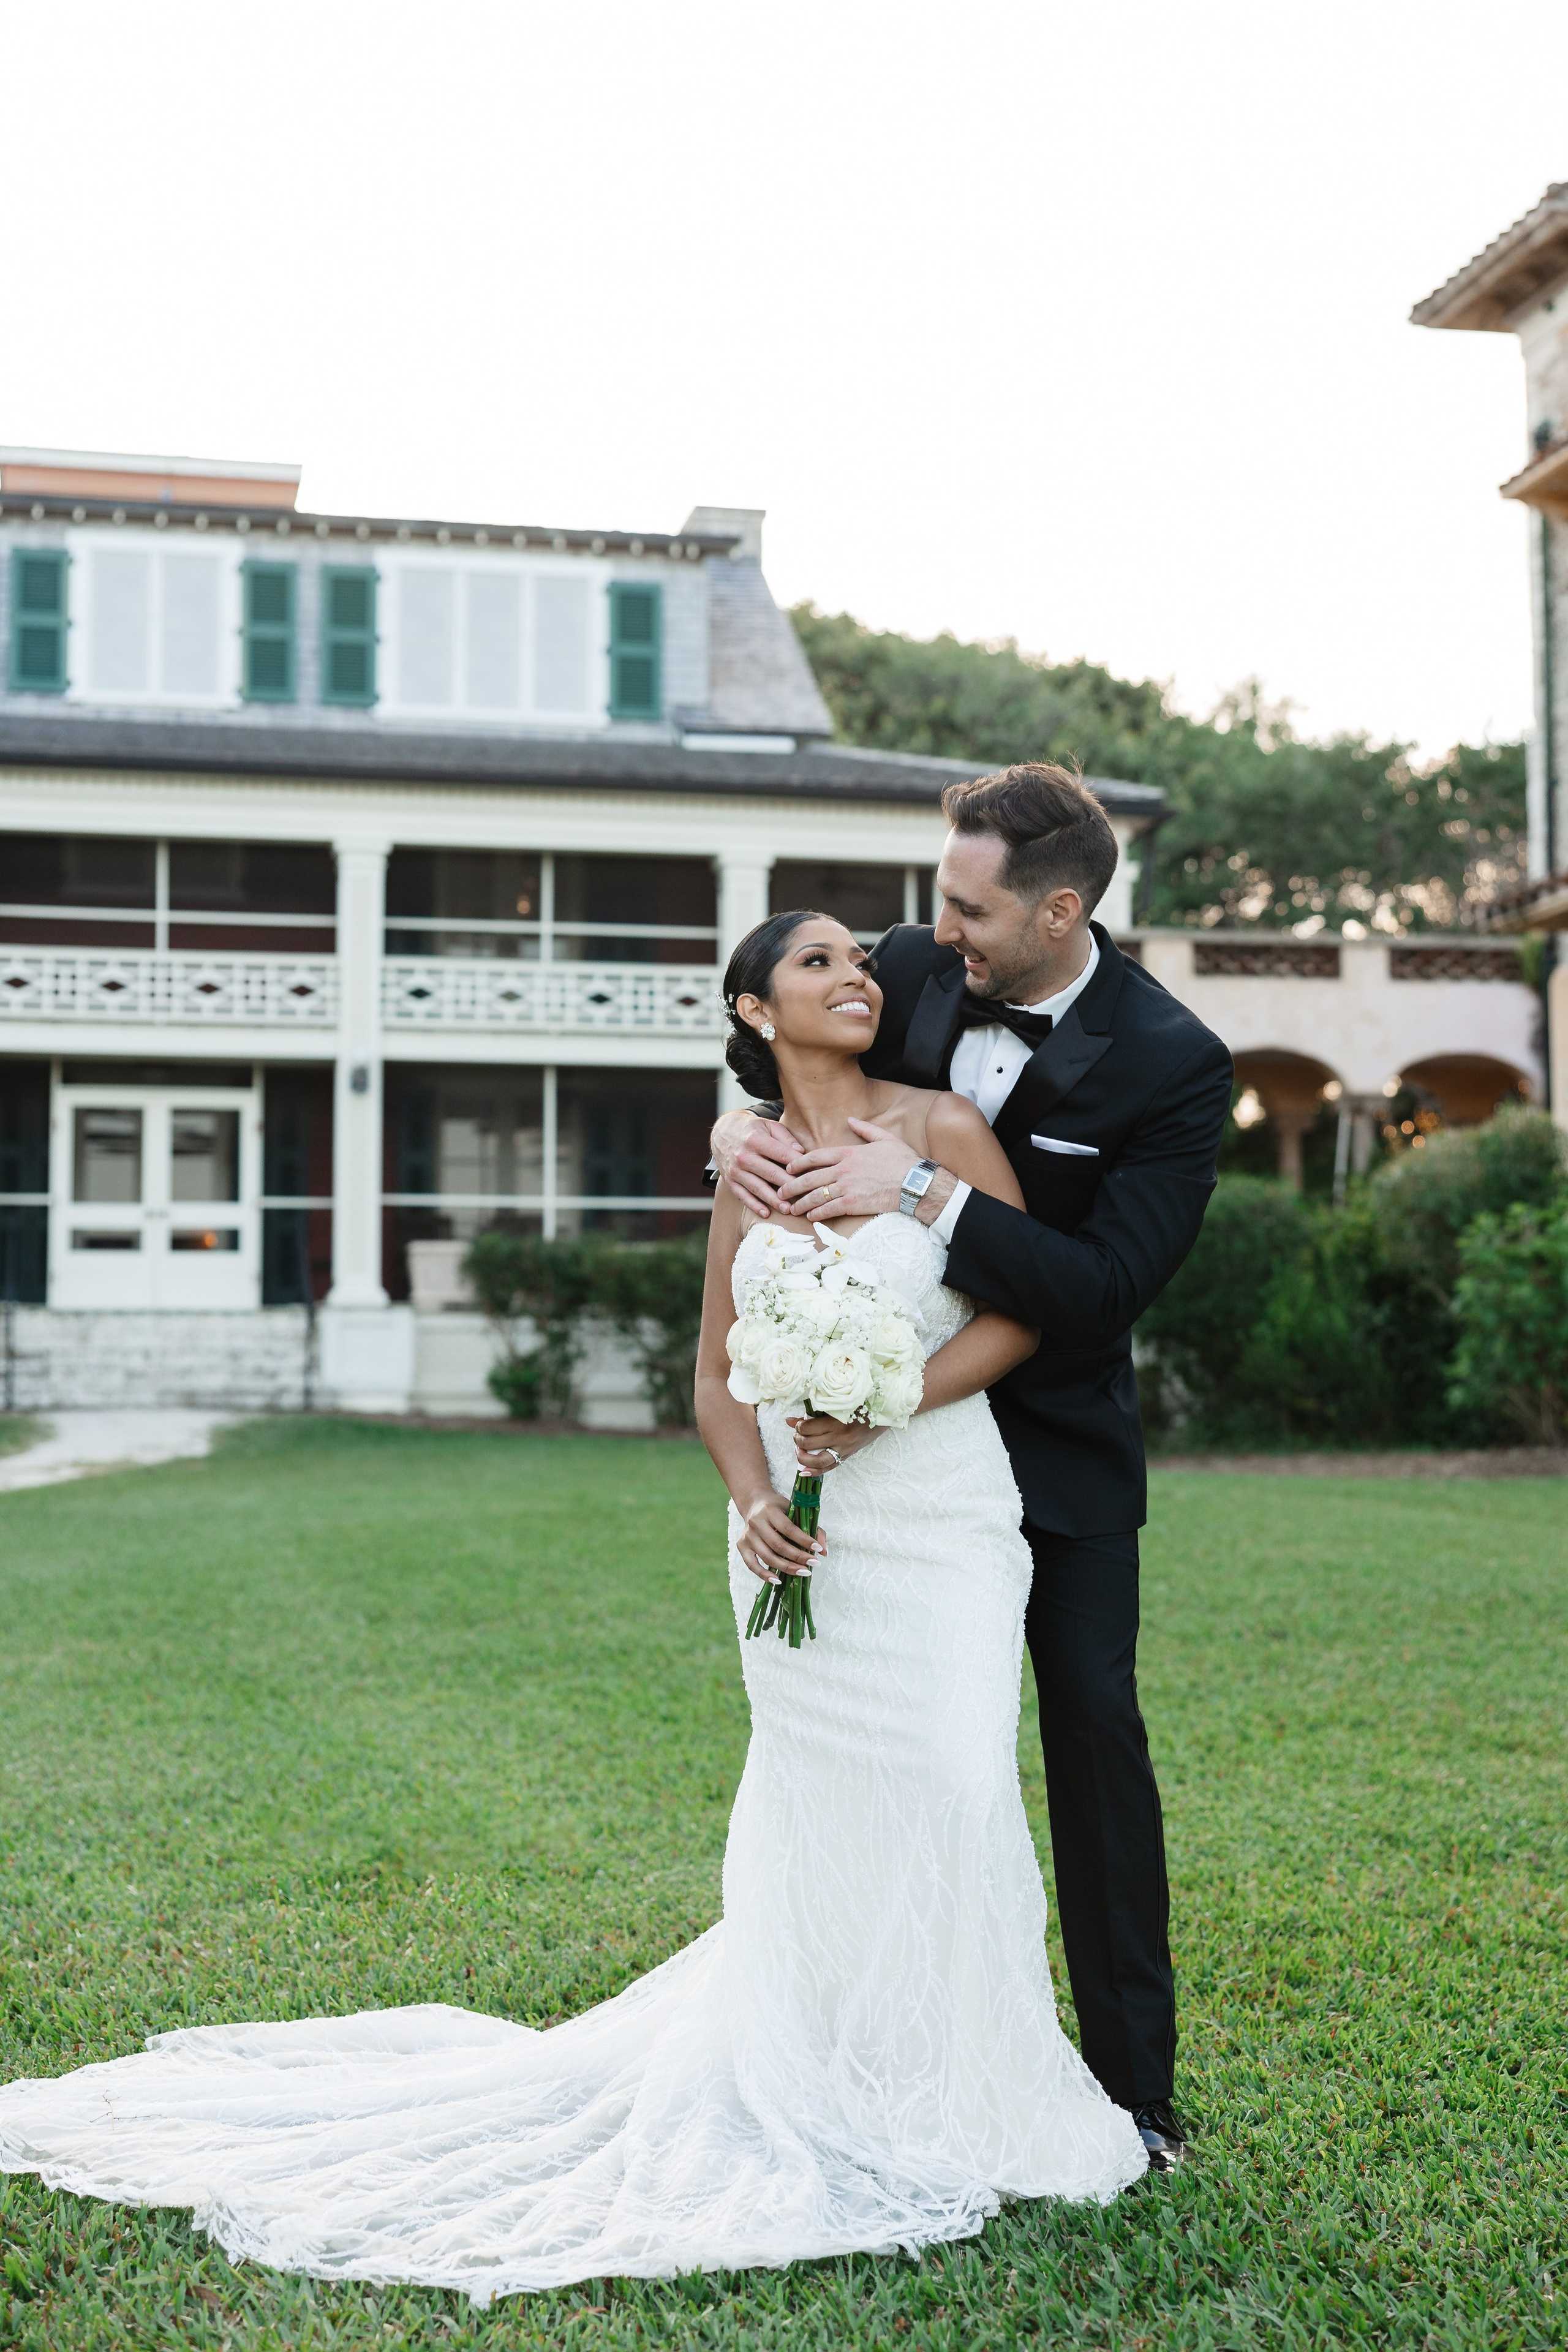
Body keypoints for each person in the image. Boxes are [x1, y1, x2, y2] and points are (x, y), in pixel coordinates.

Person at [0, 903, 1147, 2297]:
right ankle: (829, 2065)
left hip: (945, 1517)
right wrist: (753, 1501)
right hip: (800, 1537)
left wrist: (892, 1396)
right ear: (750, 1011)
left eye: (859, 962)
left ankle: (962, 2083)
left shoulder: (938, 1131)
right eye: (816, 962)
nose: (852, 978)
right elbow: (716, 1380)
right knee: (822, 1808)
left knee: (957, 1781)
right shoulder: (746, 1169)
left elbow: (1018, 1315)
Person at [709, 762, 1234, 2174]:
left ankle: (1133, 2095)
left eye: (966, 908)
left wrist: (926, 1193)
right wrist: (729, 1132)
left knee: (1088, 1747)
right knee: (865, 1761)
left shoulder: (1173, 1064)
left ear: (1057, 911)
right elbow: (781, 1048)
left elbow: (1106, 1280)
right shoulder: (907, 959)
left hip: (1040, 1455)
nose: (929, 932)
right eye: (937, 898)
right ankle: (864, 2049)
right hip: (857, 1479)